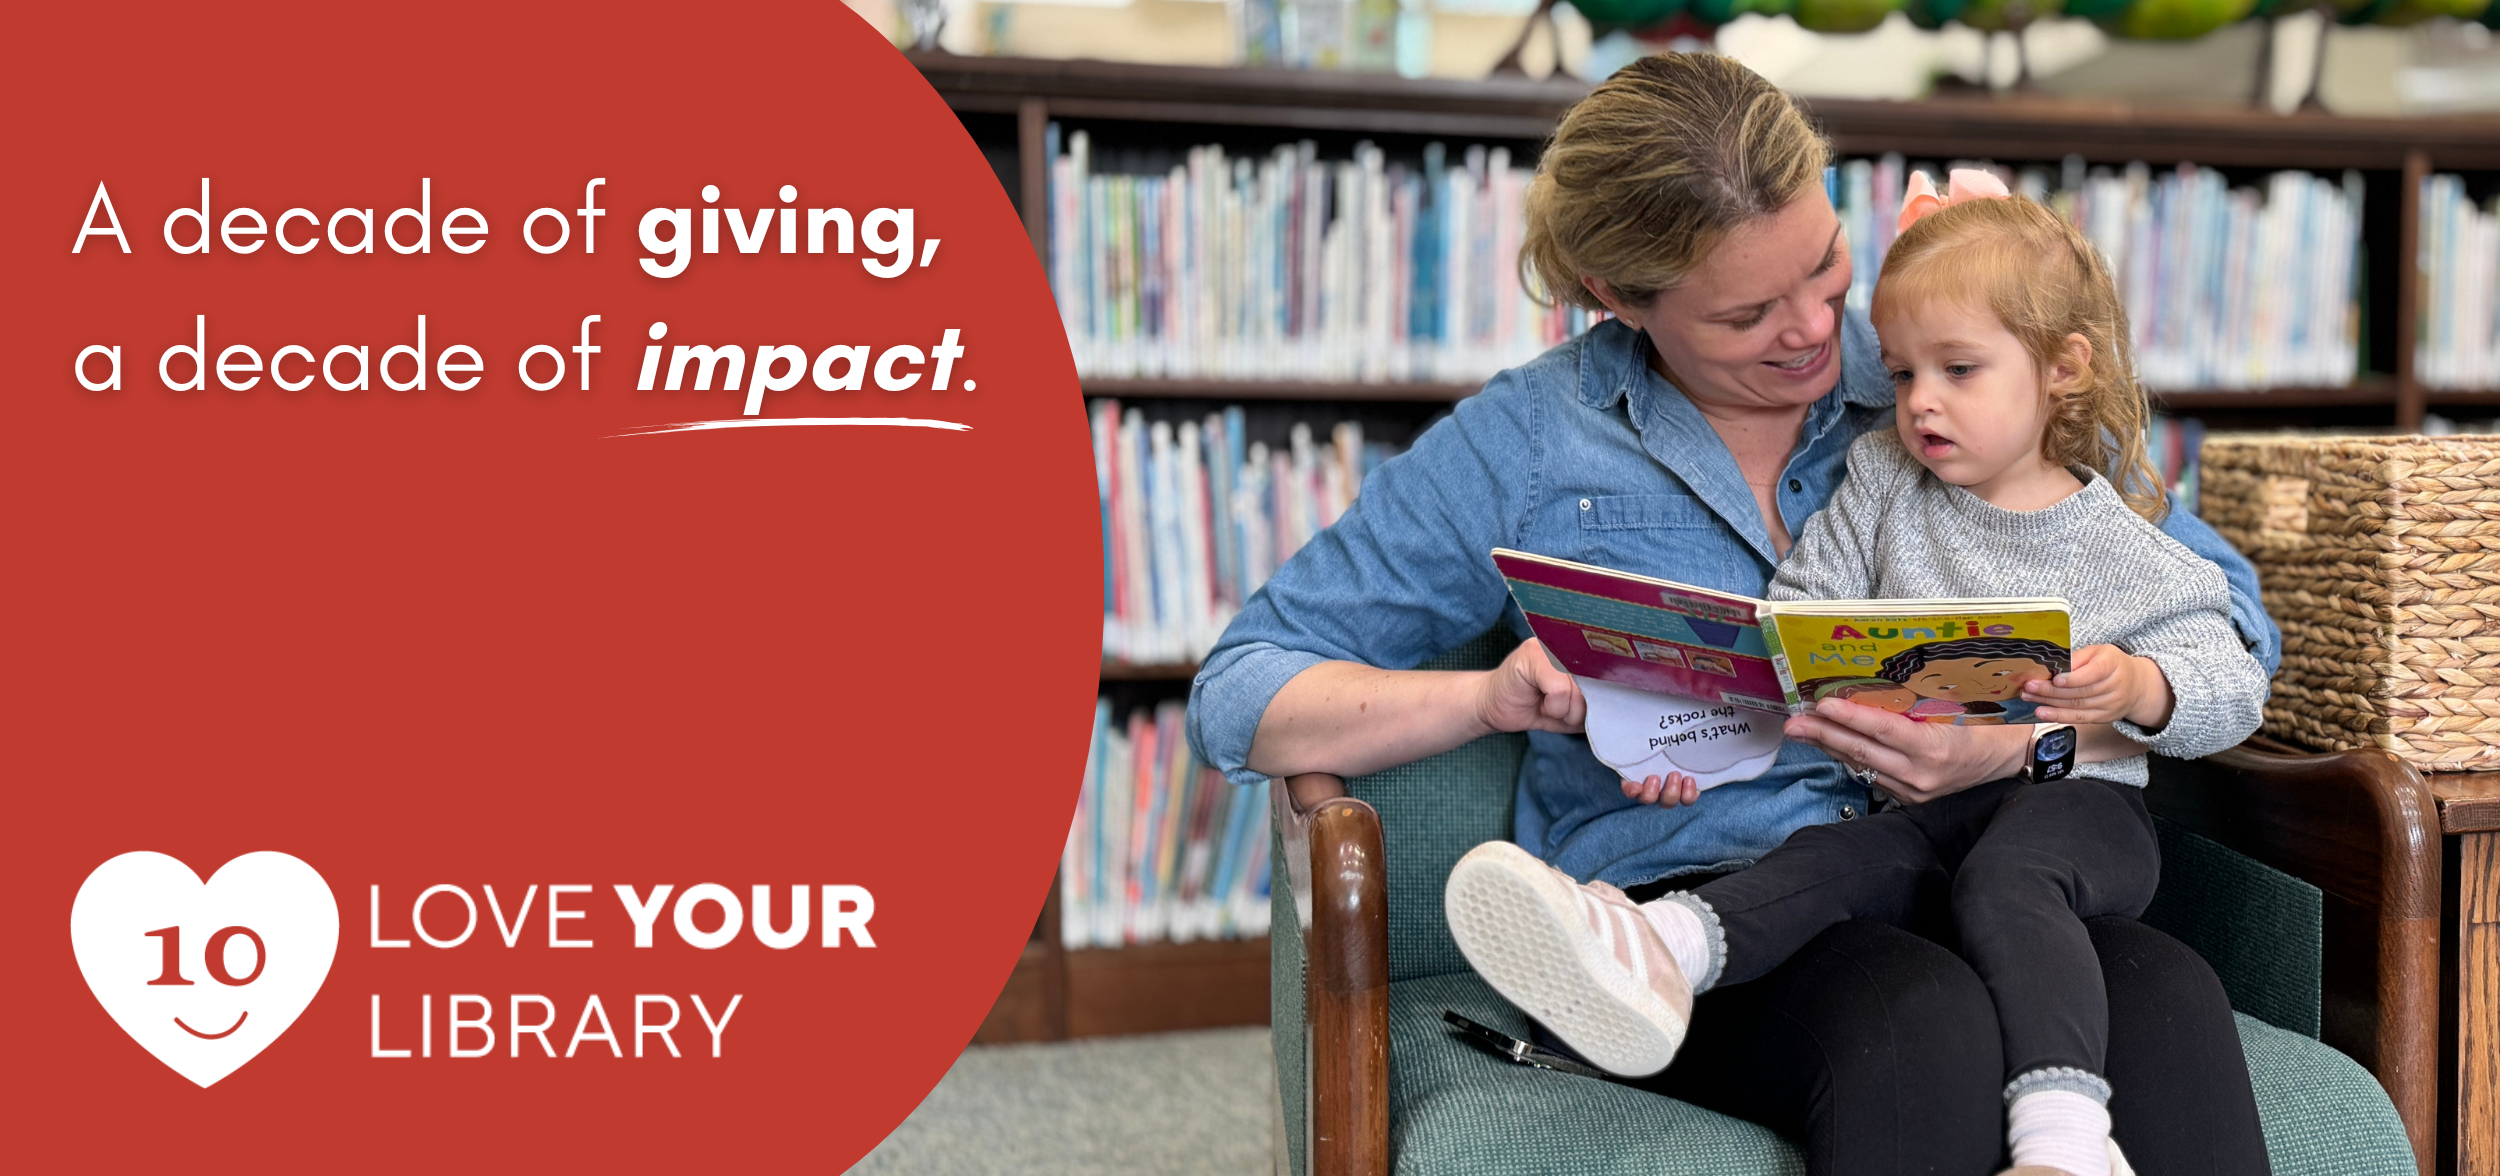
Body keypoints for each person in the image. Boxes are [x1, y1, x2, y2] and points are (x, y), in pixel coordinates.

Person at [1187, 53, 2279, 1176]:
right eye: (1749, 314)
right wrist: (1488, 697)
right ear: (1618, 301)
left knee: (2167, 1001)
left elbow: (2223, 615)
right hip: (1708, 905)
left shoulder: (1931, 367)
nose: (1814, 331)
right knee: (1914, 1016)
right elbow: (1243, 690)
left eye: (1824, 267)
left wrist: (2035, 737)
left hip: (1981, 859)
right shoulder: (1529, 441)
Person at [1444, 180, 2268, 1176]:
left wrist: (2139, 687)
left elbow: (2231, 669)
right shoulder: (1884, 482)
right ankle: (1658, 941)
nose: (1918, 401)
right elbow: (1800, 611)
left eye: (1957, 370)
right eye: (1904, 371)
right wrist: (1708, 712)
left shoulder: (2119, 539)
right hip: (1922, 818)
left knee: (2035, 899)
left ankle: (2062, 1143)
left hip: (2075, 813)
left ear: (2062, 371)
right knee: (1854, 861)